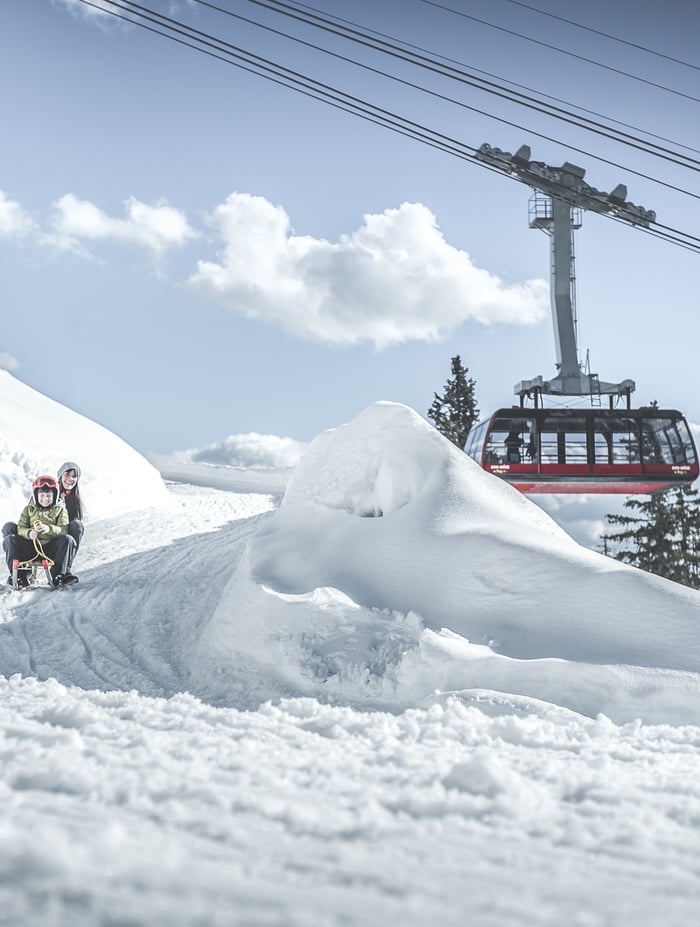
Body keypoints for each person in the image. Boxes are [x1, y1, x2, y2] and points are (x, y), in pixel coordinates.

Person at [3, 476, 78, 588]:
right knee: (10, 539)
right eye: (42, 496)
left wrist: (49, 529)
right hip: (31, 547)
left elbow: (63, 529)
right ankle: (19, 575)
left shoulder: (60, 509)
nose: (45, 499)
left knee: (67, 539)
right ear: (36, 496)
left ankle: (59, 575)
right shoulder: (28, 510)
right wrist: (29, 533)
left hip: (50, 549)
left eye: (48, 496)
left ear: (55, 495)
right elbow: (21, 528)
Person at [57, 461, 85, 554]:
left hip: (64, 540)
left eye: (73, 476)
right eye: (67, 474)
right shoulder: (51, 493)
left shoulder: (74, 500)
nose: (70, 479)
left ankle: (66, 564)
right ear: (61, 476)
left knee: (77, 526)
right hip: (49, 535)